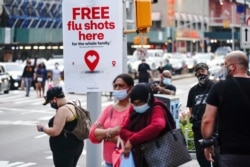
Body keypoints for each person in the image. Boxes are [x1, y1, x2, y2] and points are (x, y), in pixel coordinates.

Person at [201, 50, 250, 167]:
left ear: (233, 66)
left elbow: (207, 119)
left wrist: (207, 144)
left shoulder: (219, 88)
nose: (223, 67)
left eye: (225, 64)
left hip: (230, 153)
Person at [120, 83, 175, 167]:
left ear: (148, 99)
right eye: (135, 103)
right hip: (139, 155)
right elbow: (123, 131)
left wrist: (132, 140)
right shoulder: (133, 109)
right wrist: (140, 137)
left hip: (159, 156)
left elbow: (158, 125)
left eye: (140, 102)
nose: (138, 106)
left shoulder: (157, 108)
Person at [88, 73, 134, 167]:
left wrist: (103, 134)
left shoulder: (133, 110)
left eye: (121, 86)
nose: (117, 88)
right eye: (115, 86)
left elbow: (132, 139)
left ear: (130, 88)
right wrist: (111, 131)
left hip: (126, 161)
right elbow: (92, 133)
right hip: (109, 162)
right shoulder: (109, 109)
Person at [36, 87, 83, 167]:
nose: (51, 104)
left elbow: (55, 131)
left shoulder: (63, 110)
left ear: (54, 99)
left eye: (50, 102)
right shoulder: (72, 104)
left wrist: (42, 128)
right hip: (76, 145)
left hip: (65, 149)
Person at [186, 63, 219, 167]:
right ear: (196, 74)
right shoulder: (193, 90)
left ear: (207, 72)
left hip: (214, 126)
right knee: (201, 156)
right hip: (198, 128)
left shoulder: (215, 87)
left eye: (203, 71)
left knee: (216, 154)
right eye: (198, 71)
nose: (201, 74)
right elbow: (191, 107)